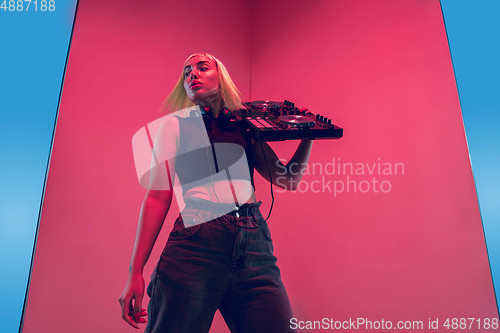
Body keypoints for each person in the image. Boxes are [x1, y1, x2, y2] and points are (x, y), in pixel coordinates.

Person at [119, 52, 313, 332]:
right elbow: (157, 197)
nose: (192, 74)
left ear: (221, 78)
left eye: (202, 67)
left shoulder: (246, 125)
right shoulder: (174, 125)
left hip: (254, 240)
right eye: (186, 72)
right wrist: (134, 271)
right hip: (198, 240)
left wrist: (309, 134)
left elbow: (288, 178)